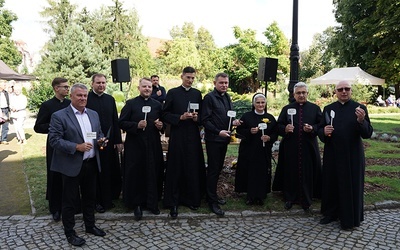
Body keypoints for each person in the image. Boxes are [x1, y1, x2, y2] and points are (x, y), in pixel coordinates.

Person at [49, 83, 107, 246]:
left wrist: (101, 140)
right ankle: (70, 232)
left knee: (90, 198)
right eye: (79, 95)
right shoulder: (59, 116)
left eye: (85, 96)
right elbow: (54, 140)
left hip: (90, 164)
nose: (83, 98)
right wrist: (76, 147)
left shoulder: (93, 114)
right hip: (70, 165)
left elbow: (98, 133)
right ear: (71, 97)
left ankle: (90, 225)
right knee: (69, 201)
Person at [317, 80, 373, 230]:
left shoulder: (360, 109)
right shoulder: (328, 109)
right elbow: (320, 128)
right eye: (340, 89)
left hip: (352, 154)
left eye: (347, 88)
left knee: (351, 185)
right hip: (332, 153)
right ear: (335, 92)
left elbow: (367, 133)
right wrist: (323, 132)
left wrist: (361, 121)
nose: (344, 91)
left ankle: (349, 218)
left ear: (351, 91)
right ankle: (330, 213)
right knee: (331, 183)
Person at [162, 66, 206, 218]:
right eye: (188, 77)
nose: (190, 80)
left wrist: (196, 118)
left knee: (192, 165)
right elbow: (165, 114)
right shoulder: (173, 93)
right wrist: (179, 117)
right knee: (176, 166)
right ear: (182, 77)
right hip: (178, 135)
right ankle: (173, 202)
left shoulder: (197, 94)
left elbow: (201, 116)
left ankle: (191, 199)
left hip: (193, 136)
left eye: (193, 78)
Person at [118, 77, 164, 220]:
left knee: (153, 171)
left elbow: (162, 123)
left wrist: (160, 126)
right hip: (135, 145)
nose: (147, 89)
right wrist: (136, 126)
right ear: (138, 88)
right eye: (144, 86)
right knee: (136, 173)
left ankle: (152, 202)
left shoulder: (157, 105)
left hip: (153, 145)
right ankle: (136, 203)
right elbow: (121, 123)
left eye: (149, 87)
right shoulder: (131, 104)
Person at [272, 82, 322, 211]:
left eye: (303, 92)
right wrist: (285, 128)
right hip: (290, 146)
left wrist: (312, 128)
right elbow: (278, 126)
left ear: (307, 93)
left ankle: (307, 198)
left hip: (308, 146)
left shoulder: (315, 108)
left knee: (307, 171)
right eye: (298, 93)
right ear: (294, 94)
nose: (301, 95)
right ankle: (290, 198)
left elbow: (321, 125)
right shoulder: (286, 108)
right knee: (290, 171)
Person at [202, 72, 241, 216]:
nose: (224, 85)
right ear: (215, 83)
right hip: (214, 139)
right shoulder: (209, 98)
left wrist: (234, 122)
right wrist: (218, 132)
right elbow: (205, 120)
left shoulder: (227, 97)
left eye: (226, 83)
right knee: (213, 169)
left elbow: (228, 116)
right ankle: (212, 201)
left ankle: (211, 195)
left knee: (218, 169)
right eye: (221, 83)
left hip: (224, 139)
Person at [34, 77, 71, 222]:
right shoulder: (47, 105)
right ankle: (55, 208)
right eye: (65, 87)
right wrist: (54, 127)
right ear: (56, 88)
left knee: (70, 175)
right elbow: (38, 127)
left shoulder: (70, 104)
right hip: (55, 146)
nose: (67, 89)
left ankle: (70, 204)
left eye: (68, 87)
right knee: (54, 175)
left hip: (70, 143)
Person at [86, 73, 123, 213]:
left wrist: (118, 140)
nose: (101, 85)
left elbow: (115, 121)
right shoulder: (87, 98)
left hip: (109, 141)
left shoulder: (110, 99)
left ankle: (109, 197)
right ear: (92, 84)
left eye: (103, 83)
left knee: (108, 170)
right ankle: (97, 200)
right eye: (98, 83)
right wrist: (93, 138)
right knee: (95, 171)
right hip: (92, 141)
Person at [234, 93, 278, 205]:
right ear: (253, 104)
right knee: (250, 172)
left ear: (265, 103)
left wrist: (269, 138)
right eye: (258, 102)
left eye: (262, 102)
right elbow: (238, 132)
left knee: (262, 172)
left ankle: (261, 196)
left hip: (263, 151)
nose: (260, 104)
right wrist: (249, 131)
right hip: (249, 150)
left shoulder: (270, 118)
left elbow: (275, 133)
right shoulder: (246, 116)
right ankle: (250, 196)